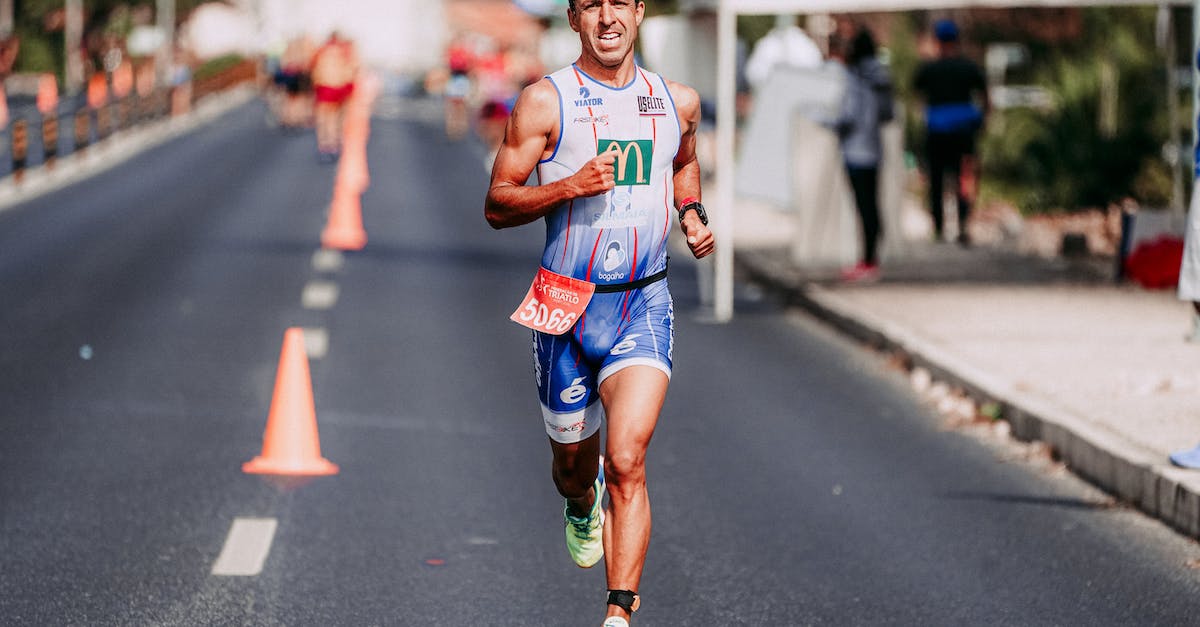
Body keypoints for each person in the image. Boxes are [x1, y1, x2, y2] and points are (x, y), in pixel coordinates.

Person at [483, 0, 714, 623]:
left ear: (639, 12)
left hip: (643, 297)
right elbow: (498, 203)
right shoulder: (544, 101)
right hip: (565, 305)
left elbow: (684, 163)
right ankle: (579, 504)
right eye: (592, 5)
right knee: (572, 469)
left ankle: (619, 612)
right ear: (572, 17)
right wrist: (568, 186)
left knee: (628, 459)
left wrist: (691, 213)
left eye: (620, 4)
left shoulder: (677, 102)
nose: (607, 18)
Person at [913, 19, 988, 246]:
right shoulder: (969, 67)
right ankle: (963, 225)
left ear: (937, 41)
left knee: (936, 180)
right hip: (964, 132)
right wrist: (981, 122)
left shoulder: (929, 69)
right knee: (964, 178)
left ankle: (938, 229)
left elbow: (917, 98)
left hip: (937, 132)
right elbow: (985, 98)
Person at [833, 27, 893, 282]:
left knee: (862, 206)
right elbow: (887, 114)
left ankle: (866, 260)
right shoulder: (882, 78)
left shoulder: (854, 77)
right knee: (873, 205)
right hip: (874, 148)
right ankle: (872, 257)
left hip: (855, 149)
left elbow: (848, 115)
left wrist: (827, 121)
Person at [309, 31, 359, 161]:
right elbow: (350, 71)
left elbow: (313, 69)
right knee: (334, 118)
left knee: (323, 119)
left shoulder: (321, 51)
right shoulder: (343, 52)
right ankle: (333, 144)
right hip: (337, 88)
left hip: (324, 87)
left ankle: (324, 145)